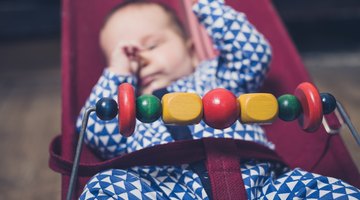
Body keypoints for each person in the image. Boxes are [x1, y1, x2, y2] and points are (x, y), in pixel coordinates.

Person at [77, 0, 360, 199]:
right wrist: (117, 73)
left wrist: (206, 4)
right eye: (126, 55)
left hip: (262, 184)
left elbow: (253, 55)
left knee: (325, 190)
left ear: (191, 50)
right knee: (105, 186)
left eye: (152, 45)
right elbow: (95, 133)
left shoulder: (217, 77)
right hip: (165, 188)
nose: (142, 61)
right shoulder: (130, 110)